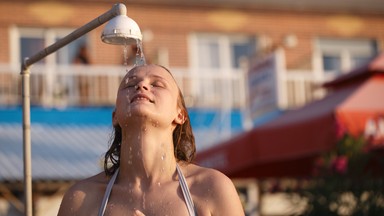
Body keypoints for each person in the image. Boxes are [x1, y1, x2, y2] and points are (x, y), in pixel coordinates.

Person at [57, 64, 245, 216]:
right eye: (130, 85)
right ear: (115, 116)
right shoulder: (82, 198)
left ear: (180, 115)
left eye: (157, 84)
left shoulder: (211, 188)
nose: (142, 86)